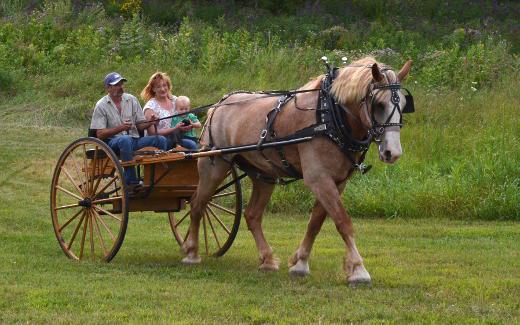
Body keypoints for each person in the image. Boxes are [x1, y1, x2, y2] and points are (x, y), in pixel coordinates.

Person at [90, 72, 168, 188]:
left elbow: (140, 125)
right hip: (112, 143)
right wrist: (120, 128)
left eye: (121, 84)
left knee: (160, 140)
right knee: (125, 139)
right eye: (116, 85)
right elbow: (100, 134)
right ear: (108, 88)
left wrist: (150, 122)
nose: (120, 87)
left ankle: (155, 178)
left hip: (134, 140)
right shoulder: (101, 105)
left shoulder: (131, 100)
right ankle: (130, 181)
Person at [141, 72, 185, 149]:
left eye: (164, 85)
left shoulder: (175, 100)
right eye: (158, 87)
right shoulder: (150, 107)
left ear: (168, 86)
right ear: (153, 89)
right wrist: (174, 129)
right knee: (165, 141)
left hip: (176, 137)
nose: (162, 89)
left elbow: (186, 115)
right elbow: (151, 133)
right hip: (159, 140)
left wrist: (187, 124)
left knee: (191, 144)